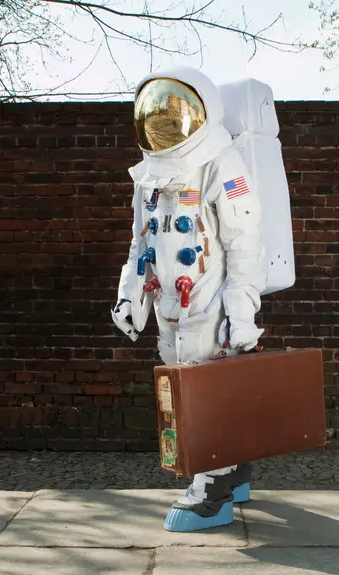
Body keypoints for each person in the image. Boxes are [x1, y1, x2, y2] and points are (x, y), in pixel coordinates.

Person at [110, 66, 266, 532]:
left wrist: (241, 310)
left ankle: (211, 490)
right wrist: (129, 295)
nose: (163, 123)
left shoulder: (221, 161)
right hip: (167, 302)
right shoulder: (149, 175)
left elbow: (243, 242)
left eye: (173, 112)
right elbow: (142, 242)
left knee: (203, 387)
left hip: (208, 298)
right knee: (176, 384)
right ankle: (233, 469)